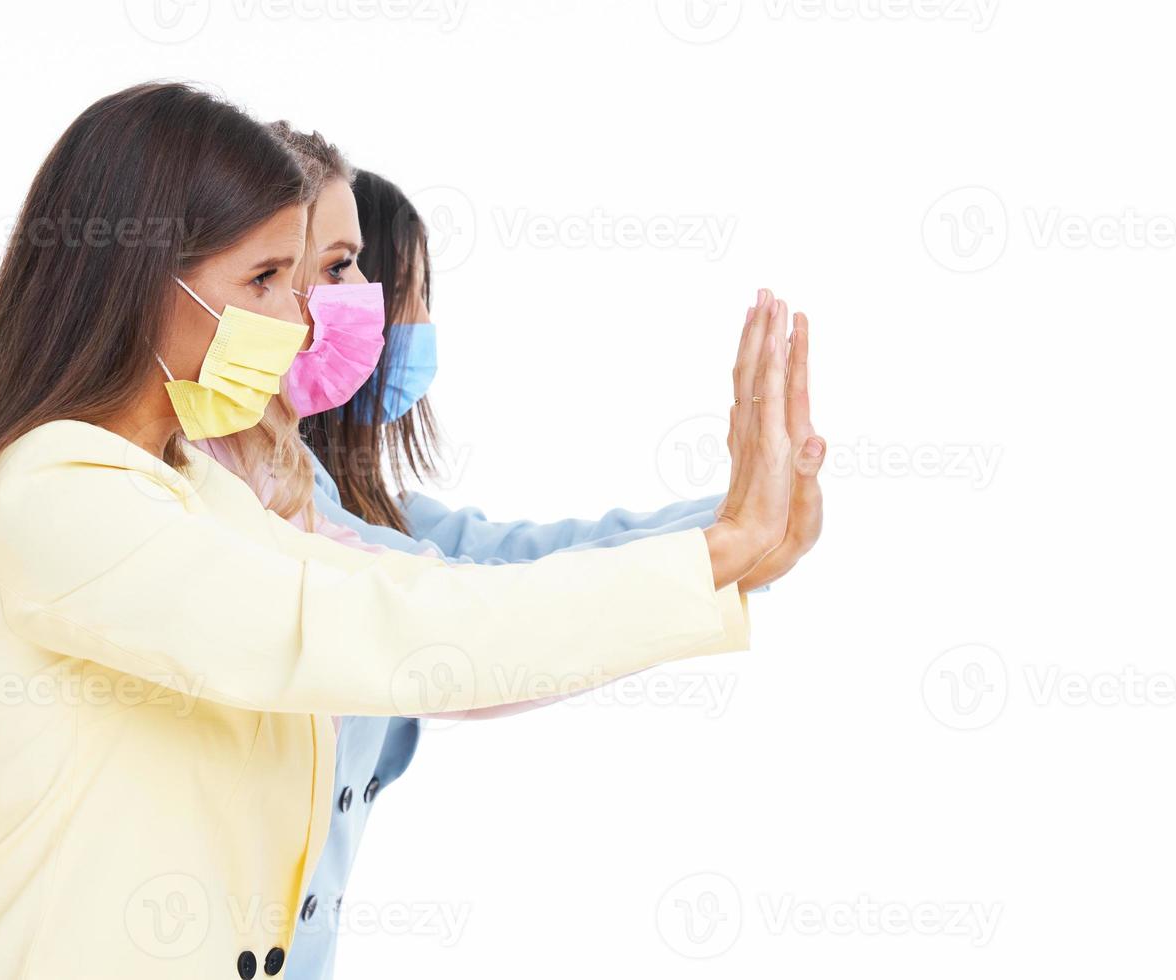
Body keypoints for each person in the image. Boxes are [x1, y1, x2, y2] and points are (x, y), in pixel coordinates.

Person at [0, 82, 806, 979]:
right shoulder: (56, 494)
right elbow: (370, 627)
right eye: (266, 277)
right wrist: (717, 551)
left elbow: (420, 591)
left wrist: (731, 544)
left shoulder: (193, 490)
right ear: (139, 282)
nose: (303, 320)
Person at [247, 133, 826, 980]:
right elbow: (475, 615)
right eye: (346, 271)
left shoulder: (343, 501)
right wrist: (733, 541)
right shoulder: (244, 501)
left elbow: (522, 562)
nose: (374, 311)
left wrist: (738, 522)